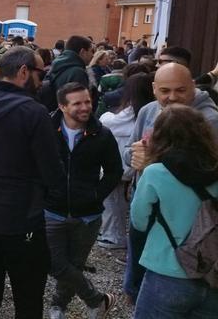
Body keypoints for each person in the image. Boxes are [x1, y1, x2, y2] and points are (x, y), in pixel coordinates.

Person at [0, 46, 65, 318]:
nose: (42, 81)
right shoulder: (34, 112)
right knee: (28, 301)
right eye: (40, 73)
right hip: (22, 223)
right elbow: (54, 175)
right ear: (24, 72)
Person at [123, 62, 218, 300]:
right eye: (165, 91)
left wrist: (154, 163)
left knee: (175, 274)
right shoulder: (147, 111)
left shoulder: (210, 120)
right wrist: (134, 156)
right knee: (139, 266)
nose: (172, 97)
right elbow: (129, 151)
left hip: (185, 217)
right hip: (145, 203)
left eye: (180, 90)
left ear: (193, 87)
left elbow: (205, 170)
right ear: (154, 89)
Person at [45, 83, 122, 319]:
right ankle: (97, 299)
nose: (85, 107)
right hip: (52, 211)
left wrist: (95, 195)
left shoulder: (102, 134)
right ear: (62, 106)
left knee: (75, 265)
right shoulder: (47, 130)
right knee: (55, 263)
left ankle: (59, 305)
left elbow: (113, 171)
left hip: (87, 216)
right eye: (77, 103)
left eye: (87, 101)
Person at [97, 72, 155, 250]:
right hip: (136, 164)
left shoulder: (132, 112)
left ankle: (114, 235)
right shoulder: (150, 111)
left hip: (122, 163)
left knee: (113, 201)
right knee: (120, 201)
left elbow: (108, 121)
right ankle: (114, 233)